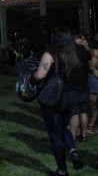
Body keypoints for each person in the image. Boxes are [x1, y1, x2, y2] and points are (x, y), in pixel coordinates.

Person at [34, 27, 90, 175]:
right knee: (64, 127)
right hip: (72, 97)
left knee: (54, 134)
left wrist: (33, 75)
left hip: (54, 98)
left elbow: (39, 76)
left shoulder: (50, 54)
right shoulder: (78, 52)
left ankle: (62, 170)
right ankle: (73, 151)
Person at [87, 47, 98, 134]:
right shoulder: (92, 65)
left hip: (91, 88)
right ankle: (89, 127)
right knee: (93, 108)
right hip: (93, 89)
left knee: (91, 108)